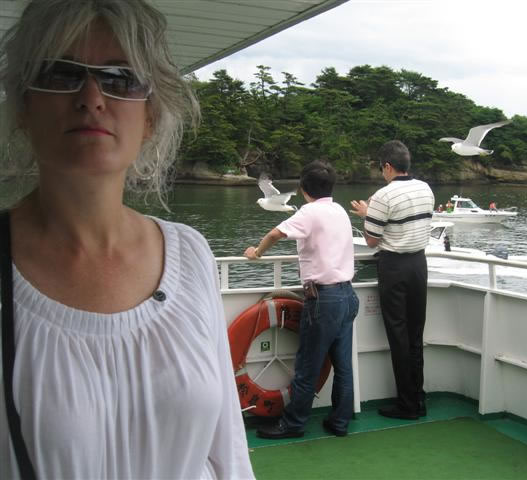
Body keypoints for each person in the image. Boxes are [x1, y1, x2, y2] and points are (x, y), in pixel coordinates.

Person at [0, 1, 254, 478]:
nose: (91, 97)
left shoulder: (189, 254)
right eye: (61, 73)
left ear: (150, 116)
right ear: (24, 106)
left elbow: (228, 453)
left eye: (120, 78)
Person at [244, 161, 359, 438]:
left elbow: (275, 233)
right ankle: (339, 422)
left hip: (324, 300)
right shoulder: (339, 210)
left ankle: (293, 424)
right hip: (347, 295)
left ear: (304, 189)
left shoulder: (309, 212)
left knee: (308, 366)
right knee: (343, 367)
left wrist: (256, 253)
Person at [350, 140, 434, 420]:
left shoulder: (382, 196)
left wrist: (367, 215)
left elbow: (372, 240)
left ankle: (406, 405)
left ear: (387, 166)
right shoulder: (425, 188)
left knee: (398, 335)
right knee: (415, 334)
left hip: (395, 267)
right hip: (419, 264)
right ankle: (418, 399)